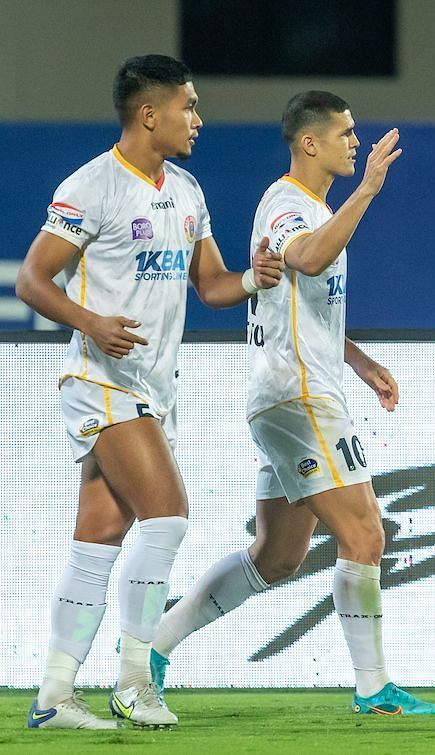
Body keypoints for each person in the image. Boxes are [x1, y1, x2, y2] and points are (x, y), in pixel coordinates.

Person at [150, 91, 435, 717]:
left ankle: (155, 643)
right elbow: (305, 258)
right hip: (300, 397)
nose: (355, 143)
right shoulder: (287, 205)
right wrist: (366, 192)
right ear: (310, 142)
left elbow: (300, 305)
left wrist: (359, 362)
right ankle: (373, 690)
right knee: (364, 534)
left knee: (277, 555)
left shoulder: (309, 207)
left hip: (289, 395)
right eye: (346, 133)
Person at [17, 54, 283, 730]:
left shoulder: (188, 191)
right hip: (99, 379)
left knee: (99, 538)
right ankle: (136, 678)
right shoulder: (93, 185)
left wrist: (254, 278)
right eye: (188, 106)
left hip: (151, 388)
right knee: (167, 515)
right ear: (148, 114)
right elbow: (32, 280)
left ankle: (54, 693)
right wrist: (92, 322)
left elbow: (214, 286)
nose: (198, 119)